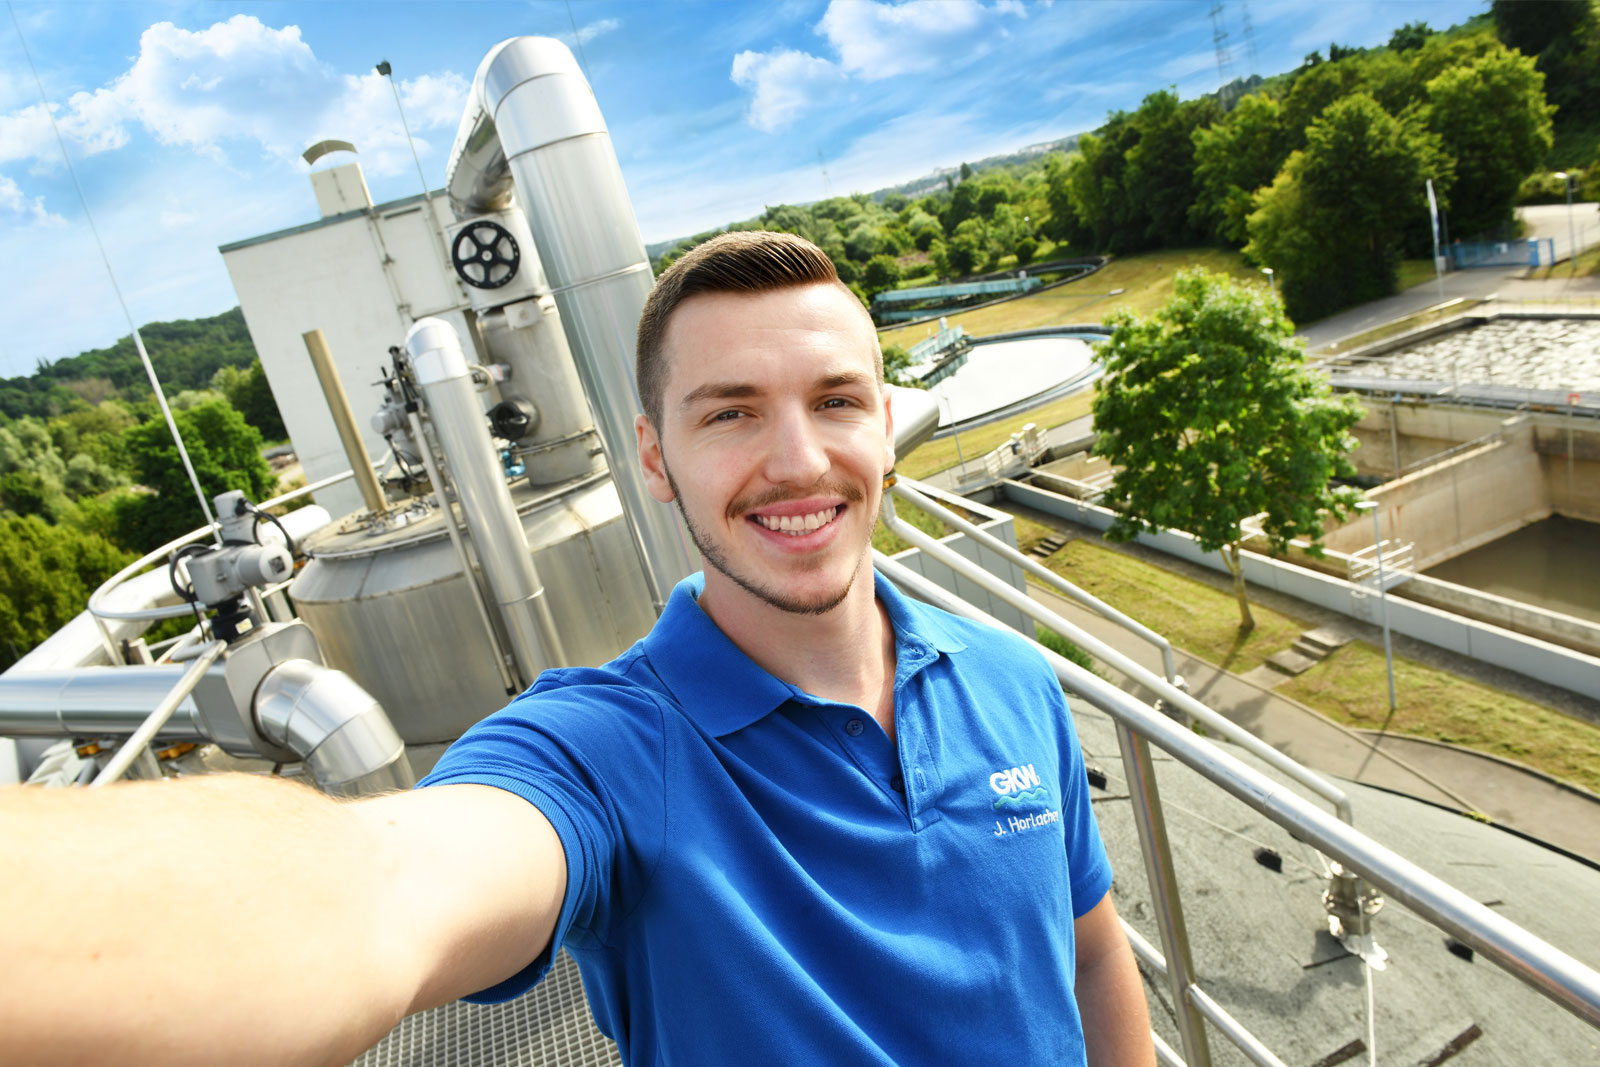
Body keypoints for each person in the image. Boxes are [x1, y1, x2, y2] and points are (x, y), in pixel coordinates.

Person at [1, 231, 1153, 1067]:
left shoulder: (1006, 677)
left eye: (837, 399)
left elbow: (1092, 954)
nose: (799, 460)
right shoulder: (608, 750)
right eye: (731, 411)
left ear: (886, 427)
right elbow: (373, 895)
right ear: (653, 460)